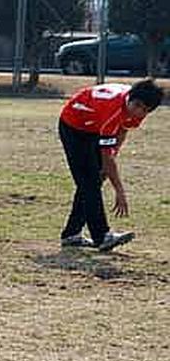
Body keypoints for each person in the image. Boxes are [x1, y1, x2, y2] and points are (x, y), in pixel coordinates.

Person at [58, 79, 164, 252]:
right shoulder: (113, 110)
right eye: (137, 106)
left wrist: (113, 157)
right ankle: (102, 236)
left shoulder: (137, 111)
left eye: (145, 110)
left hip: (95, 128)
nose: (139, 112)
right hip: (74, 127)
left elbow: (122, 131)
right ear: (130, 98)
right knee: (90, 183)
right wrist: (119, 191)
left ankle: (72, 234)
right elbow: (107, 156)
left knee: (91, 183)